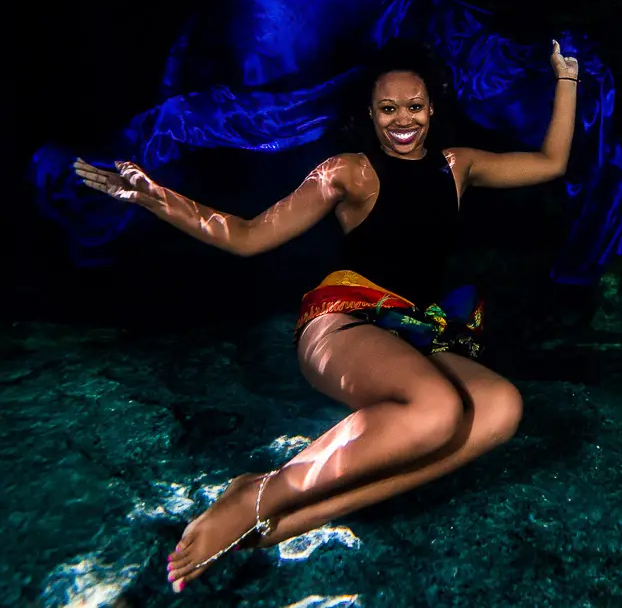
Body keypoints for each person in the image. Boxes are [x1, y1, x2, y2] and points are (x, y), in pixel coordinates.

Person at [73, 41, 581, 592]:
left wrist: (567, 79)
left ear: (432, 108)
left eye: (414, 106)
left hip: (415, 331)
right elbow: (246, 236)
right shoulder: (349, 173)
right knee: (437, 412)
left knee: (501, 409)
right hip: (342, 323)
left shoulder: (460, 166)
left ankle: (299, 517)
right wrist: (155, 198)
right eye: (388, 109)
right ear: (370, 113)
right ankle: (259, 493)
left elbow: (552, 163)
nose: (402, 120)